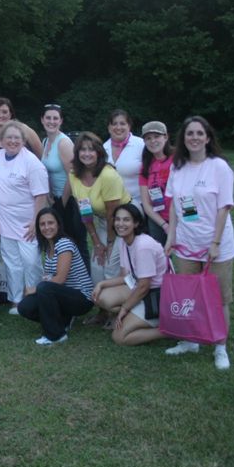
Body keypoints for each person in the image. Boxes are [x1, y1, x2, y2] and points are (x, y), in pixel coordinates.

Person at [163, 116, 234, 370]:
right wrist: (171, 237)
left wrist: (214, 243)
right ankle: (189, 340)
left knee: (219, 298)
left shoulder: (219, 167)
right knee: (188, 296)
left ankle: (220, 346)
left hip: (216, 245)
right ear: (183, 138)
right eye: (189, 133)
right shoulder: (178, 167)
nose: (194, 137)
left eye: (199, 133)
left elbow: (224, 208)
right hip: (185, 244)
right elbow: (173, 206)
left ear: (207, 137)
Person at [0, 122, 49, 314]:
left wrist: (35, 221)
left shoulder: (32, 163)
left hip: (27, 222)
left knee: (30, 261)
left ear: (24, 141)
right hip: (4, 219)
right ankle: (16, 300)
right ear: (2, 140)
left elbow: (41, 195)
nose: (13, 141)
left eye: (17, 138)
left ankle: (35, 297)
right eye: (9, 137)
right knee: (12, 261)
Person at [91, 204, 167, 346]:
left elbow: (144, 286)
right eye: (117, 219)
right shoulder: (124, 241)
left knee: (119, 337)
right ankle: (134, 315)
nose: (120, 224)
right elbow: (126, 277)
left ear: (136, 223)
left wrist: (125, 308)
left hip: (156, 297)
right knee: (101, 297)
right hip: (140, 290)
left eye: (126, 220)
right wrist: (101, 284)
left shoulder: (143, 246)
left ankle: (168, 330)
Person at [17, 208, 94, 345]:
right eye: (42, 224)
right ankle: (63, 320)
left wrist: (34, 289)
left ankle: (56, 335)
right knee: (25, 307)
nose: (47, 227)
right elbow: (49, 277)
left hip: (82, 297)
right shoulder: (48, 247)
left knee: (44, 288)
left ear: (58, 224)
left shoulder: (64, 243)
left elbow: (60, 279)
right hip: (62, 295)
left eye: (50, 223)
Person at [68, 132, 131, 290]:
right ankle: (103, 309)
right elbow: (85, 211)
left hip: (124, 219)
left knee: (110, 265)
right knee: (97, 264)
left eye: (91, 149)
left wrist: (109, 243)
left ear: (99, 153)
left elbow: (112, 214)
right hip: (104, 220)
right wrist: (96, 242)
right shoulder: (74, 175)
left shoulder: (108, 175)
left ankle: (116, 307)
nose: (87, 154)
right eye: (83, 149)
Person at [39, 103, 89, 272]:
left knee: (76, 241)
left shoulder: (63, 143)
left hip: (71, 200)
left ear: (61, 121)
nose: (51, 121)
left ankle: (85, 286)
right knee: (62, 242)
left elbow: (73, 175)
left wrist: (63, 203)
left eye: (55, 118)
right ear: (42, 120)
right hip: (56, 199)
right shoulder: (45, 141)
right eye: (48, 118)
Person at [0, 97, 43, 171]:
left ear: (10, 114)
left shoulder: (25, 130)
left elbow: (41, 157)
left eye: (4, 112)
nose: (0, 115)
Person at [139, 121, 174, 245]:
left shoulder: (178, 159)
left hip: (183, 216)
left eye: (156, 136)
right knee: (160, 258)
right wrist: (164, 225)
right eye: (148, 138)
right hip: (157, 220)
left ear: (166, 137)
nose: (152, 141)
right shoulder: (145, 166)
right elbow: (146, 203)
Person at [103, 109, 145, 208]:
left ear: (129, 126)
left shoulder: (141, 145)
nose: (118, 127)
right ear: (109, 127)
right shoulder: (103, 148)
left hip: (139, 204)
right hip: (112, 206)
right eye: (114, 124)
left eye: (122, 123)